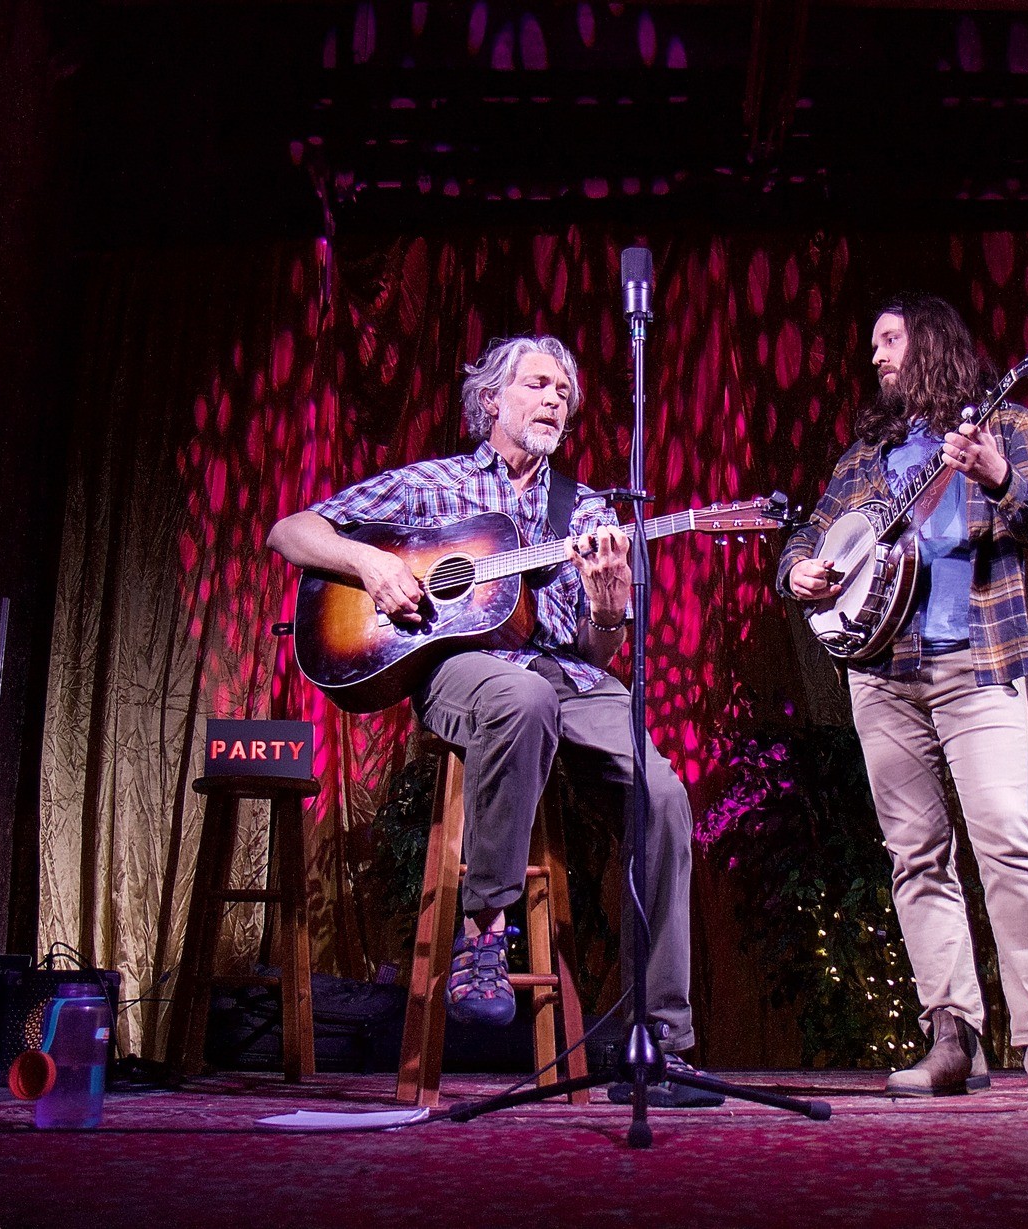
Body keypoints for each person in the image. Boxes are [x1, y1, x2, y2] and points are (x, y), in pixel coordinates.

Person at [267, 334, 720, 1107]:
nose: (554, 401)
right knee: (521, 697)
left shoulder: (586, 511)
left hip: (571, 676)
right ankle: (485, 931)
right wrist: (373, 565)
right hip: (467, 677)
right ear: (491, 400)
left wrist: (611, 613)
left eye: (564, 393)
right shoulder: (433, 485)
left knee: (665, 797)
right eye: (538, 384)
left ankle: (661, 1040)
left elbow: (597, 650)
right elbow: (291, 531)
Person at [776, 293, 1028, 1101]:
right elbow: (807, 537)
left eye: (888, 339)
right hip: (882, 675)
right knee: (916, 856)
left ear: (931, 341)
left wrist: (996, 475)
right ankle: (951, 1037)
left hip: (977, 659)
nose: (876, 356)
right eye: (873, 342)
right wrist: (799, 572)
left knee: (1008, 836)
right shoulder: (863, 456)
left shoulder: (1006, 423)